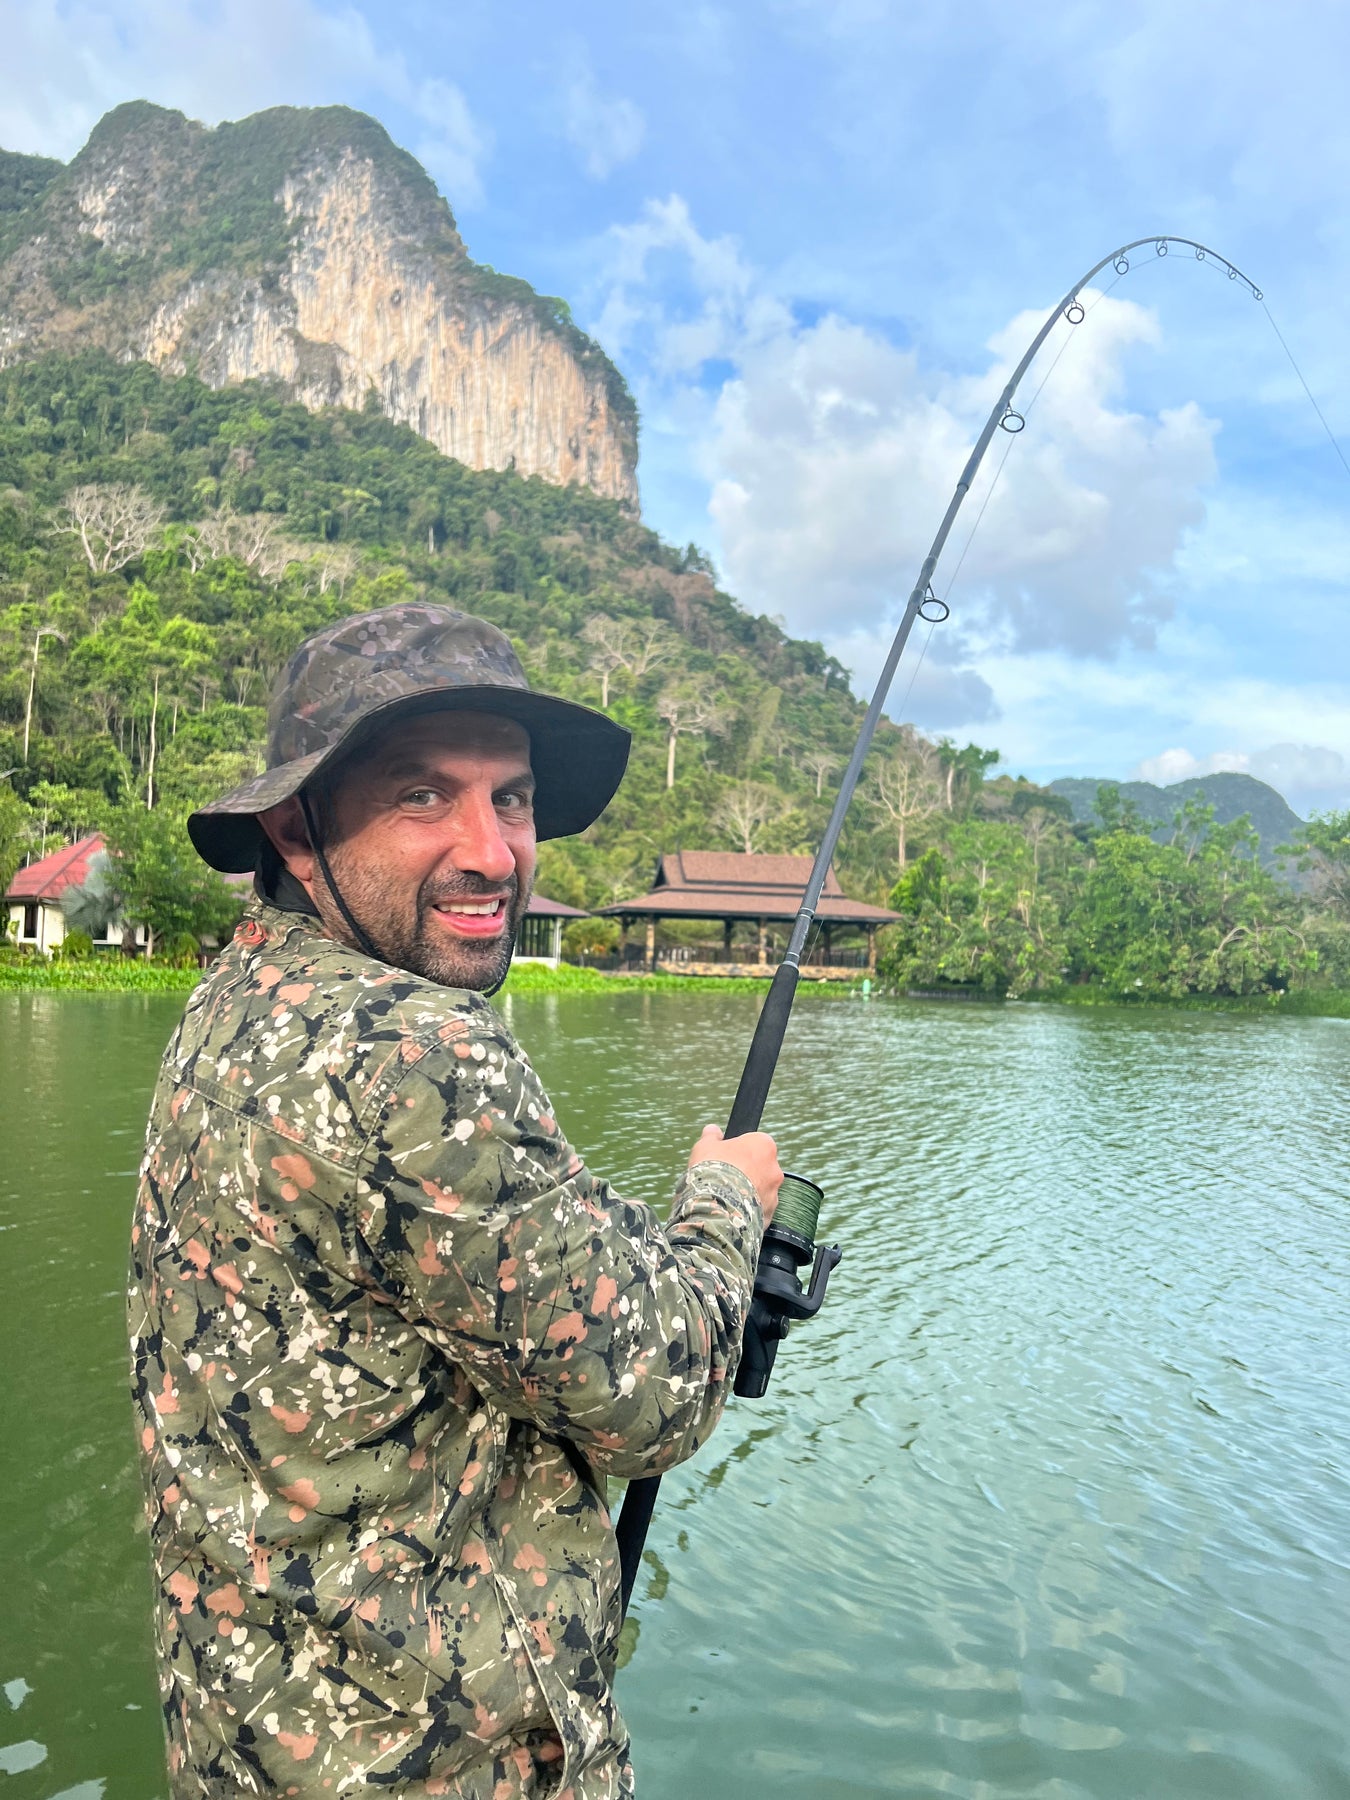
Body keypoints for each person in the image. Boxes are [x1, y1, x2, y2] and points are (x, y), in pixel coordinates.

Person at [128, 603, 781, 1799]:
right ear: (296, 827)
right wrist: (725, 1201)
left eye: (511, 798)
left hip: (247, 1742)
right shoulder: (417, 1050)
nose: (491, 851)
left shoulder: (237, 999)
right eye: (422, 794)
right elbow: (657, 1395)